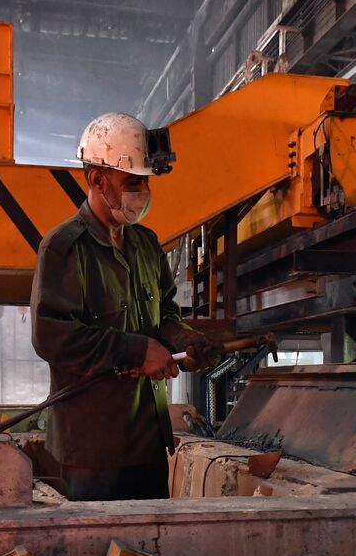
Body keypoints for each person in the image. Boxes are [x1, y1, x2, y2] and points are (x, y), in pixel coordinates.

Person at [30, 112, 222, 501]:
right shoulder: (65, 248)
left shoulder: (146, 245)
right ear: (97, 179)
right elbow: (52, 337)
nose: (142, 191)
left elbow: (165, 314)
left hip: (146, 444)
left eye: (145, 182)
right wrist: (137, 349)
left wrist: (185, 339)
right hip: (91, 451)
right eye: (131, 182)